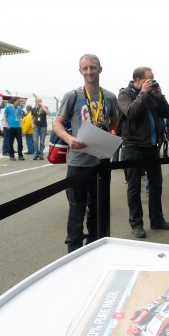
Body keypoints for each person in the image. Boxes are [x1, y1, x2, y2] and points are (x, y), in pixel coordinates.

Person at [54, 54, 119, 252]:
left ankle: (94, 247)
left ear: (100, 69)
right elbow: (57, 123)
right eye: (85, 68)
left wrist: (108, 132)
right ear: (80, 71)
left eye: (93, 67)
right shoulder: (72, 95)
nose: (89, 71)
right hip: (78, 163)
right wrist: (69, 138)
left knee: (98, 209)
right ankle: (73, 251)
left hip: (100, 161)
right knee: (76, 209)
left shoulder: (109, 97)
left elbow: (115, 120)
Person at [117, 66, 169, 238]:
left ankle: (157, 220)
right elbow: (131, 112)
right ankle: (136, 224)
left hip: (151, 147)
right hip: (133, 147)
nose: (152, 82)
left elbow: (166, 113)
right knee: (134, 188)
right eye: (149, 79)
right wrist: (143, 93)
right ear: (138, 80)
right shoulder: (124, 94)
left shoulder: (150, 95)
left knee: (156, 185)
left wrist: (159, 96)